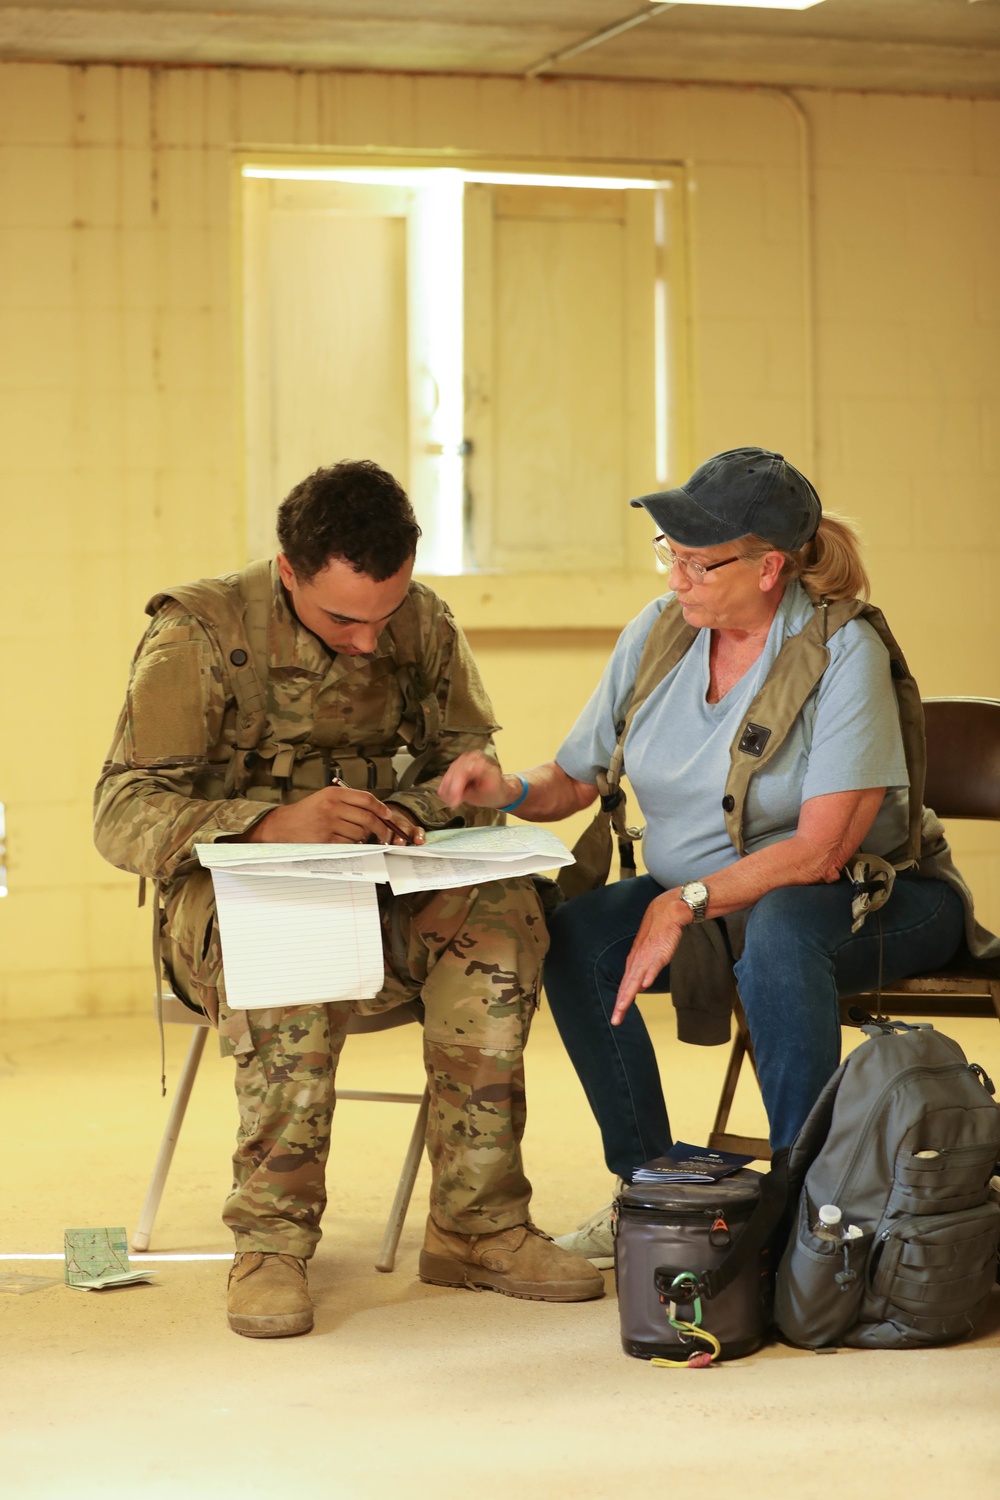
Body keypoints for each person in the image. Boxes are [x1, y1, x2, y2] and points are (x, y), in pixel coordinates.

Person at [440, 446, 993, 1267]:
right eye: (671, 556)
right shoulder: (660, 634)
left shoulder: (843, 652)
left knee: (780, 932)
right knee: (580, 937)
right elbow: (575, 776)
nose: (677, 579)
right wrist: (507, 788)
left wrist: (684, 903)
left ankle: (808, 1212)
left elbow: (822, 849)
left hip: (876, 900)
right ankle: (655, 1190)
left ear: (770, 567)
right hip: (715, 898)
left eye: (699, 563)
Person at [94, 459, 603, 1335]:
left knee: (503, 914)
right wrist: (271, 826)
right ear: (288, 571)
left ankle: (476, 1226)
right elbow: (121, 813)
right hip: (230, 909)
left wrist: (396, 812)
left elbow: (461, 767)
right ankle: (272, 1242)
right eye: (342, 619)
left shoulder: (424, 621)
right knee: (295, 929)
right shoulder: (200, 633)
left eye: (385, 613)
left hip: (385, 883)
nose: (370, 640)